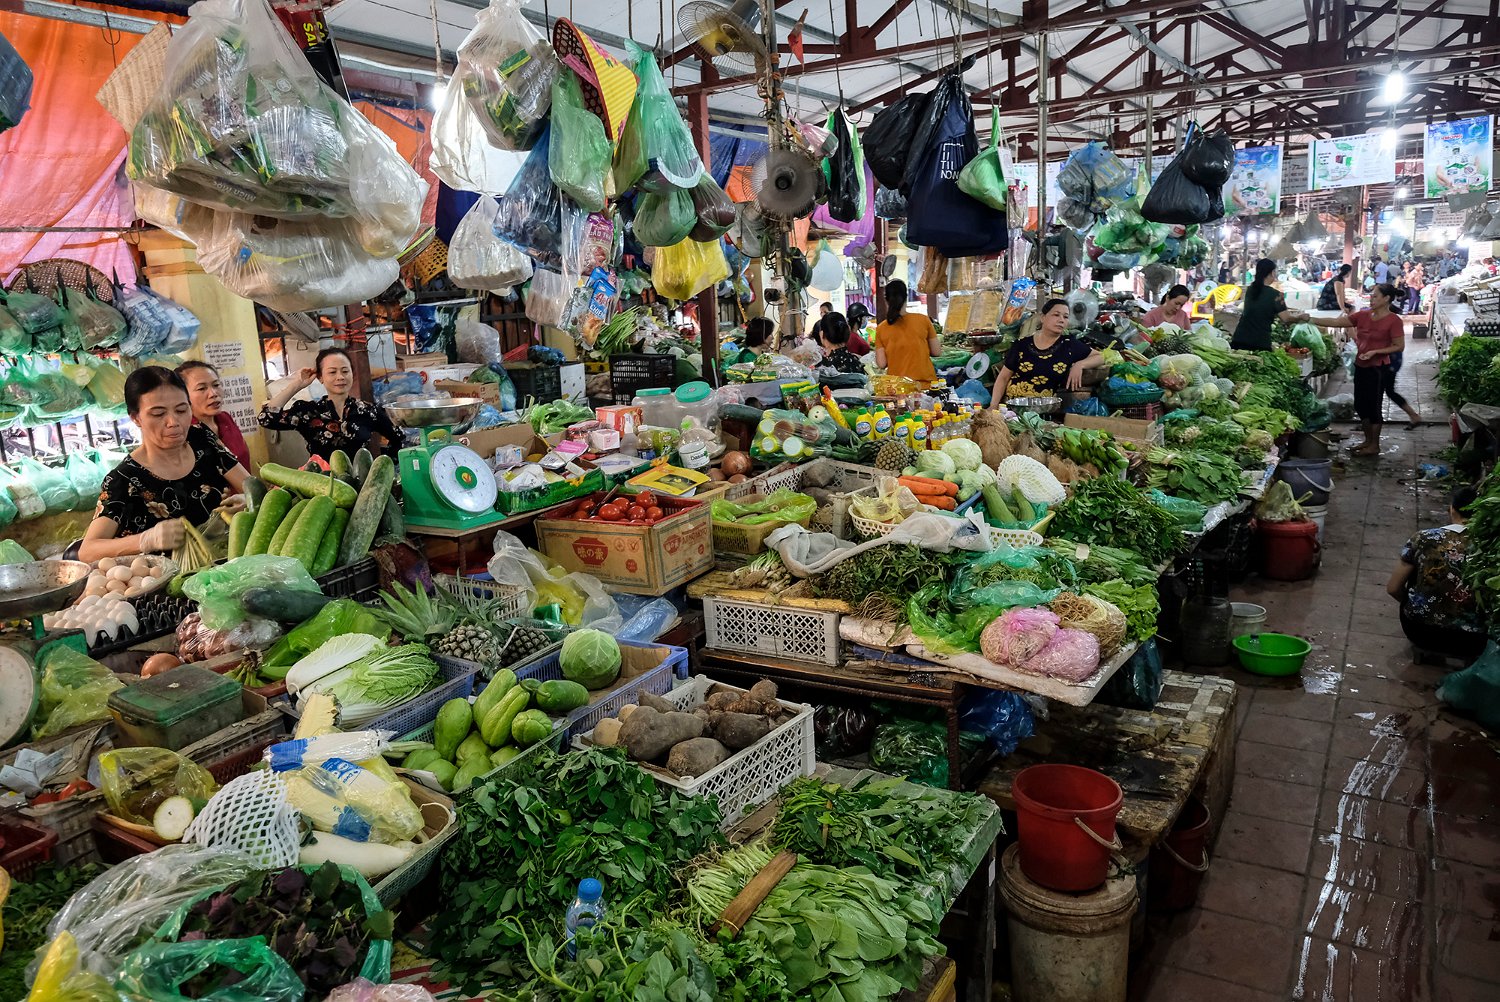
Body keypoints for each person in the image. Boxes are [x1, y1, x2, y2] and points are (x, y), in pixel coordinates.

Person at [79, 367, 248, 561]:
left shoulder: (202, 439)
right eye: (158, 414)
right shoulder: (124, 479)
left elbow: (250, 485)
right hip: (167, 576)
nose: (173, 422)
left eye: (181, 410)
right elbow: (87, 550)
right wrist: (146, 540)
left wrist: (247, 500)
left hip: (224, 566)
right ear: (136, 418)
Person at [1308, 283, 1417, 454]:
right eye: (1371, 296)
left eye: (1375, 296)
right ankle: (1367, 440)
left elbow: (1399, 346)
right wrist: (1310, 319)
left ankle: (1375, 445)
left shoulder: (1393, 320)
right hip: (1361, 365)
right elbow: (1337, 322)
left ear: (1386, 299)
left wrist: (1375, 352)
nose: (1371, 299)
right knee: (1360, 405)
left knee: (1374, 406)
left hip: (1378, 368)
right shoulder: (1363, 315)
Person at [1387, 486, 1487, 662]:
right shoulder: (1489, 546)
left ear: (1452, 509)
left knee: (1416, 577)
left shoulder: (1424, 538)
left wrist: (1415, 604)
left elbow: (1393, 588)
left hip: (1421, 632)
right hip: (1473, 640)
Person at [259, 348, 402, 461]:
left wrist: (382, 469)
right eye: (332, 372)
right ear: (320, 377)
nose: (340, 377)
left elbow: (398, 438)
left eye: (345, 371)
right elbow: (266, 418)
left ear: (352, 374)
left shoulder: (367, 411)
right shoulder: (309, 412)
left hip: (361, 485)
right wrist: (297, 384)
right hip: (321, 484)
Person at [989, 298, 1103, 405]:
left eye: (1066, 317)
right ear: (1043, 318)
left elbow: (1100, 357)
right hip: (1012, 407)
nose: (1061, 320)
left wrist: (1080, 365)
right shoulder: (1022, 345)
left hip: (1044, 409)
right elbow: (1003, 377)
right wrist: (993, 405)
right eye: (1056, 315)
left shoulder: (1069, 345)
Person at [176, 360, 252, 471]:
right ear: (182, 395)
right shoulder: (184, 431)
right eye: (201, 388)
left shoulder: (225, 419)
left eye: (216, 385)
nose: (213, 394)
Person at [1232, 259, 1308, 351]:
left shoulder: (1250, 290)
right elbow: (1286, 318)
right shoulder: (1276, 295)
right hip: (1259, 343)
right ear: (1272, 273)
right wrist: (1300, 317)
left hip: (1239, 339)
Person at [874, 280, 939, 383]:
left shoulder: (881, 328)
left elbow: (881, 364)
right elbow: (936, 351)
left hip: (898, 388)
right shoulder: (923, 320)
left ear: (886, 300)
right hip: (925, 385)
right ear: (906, 298)